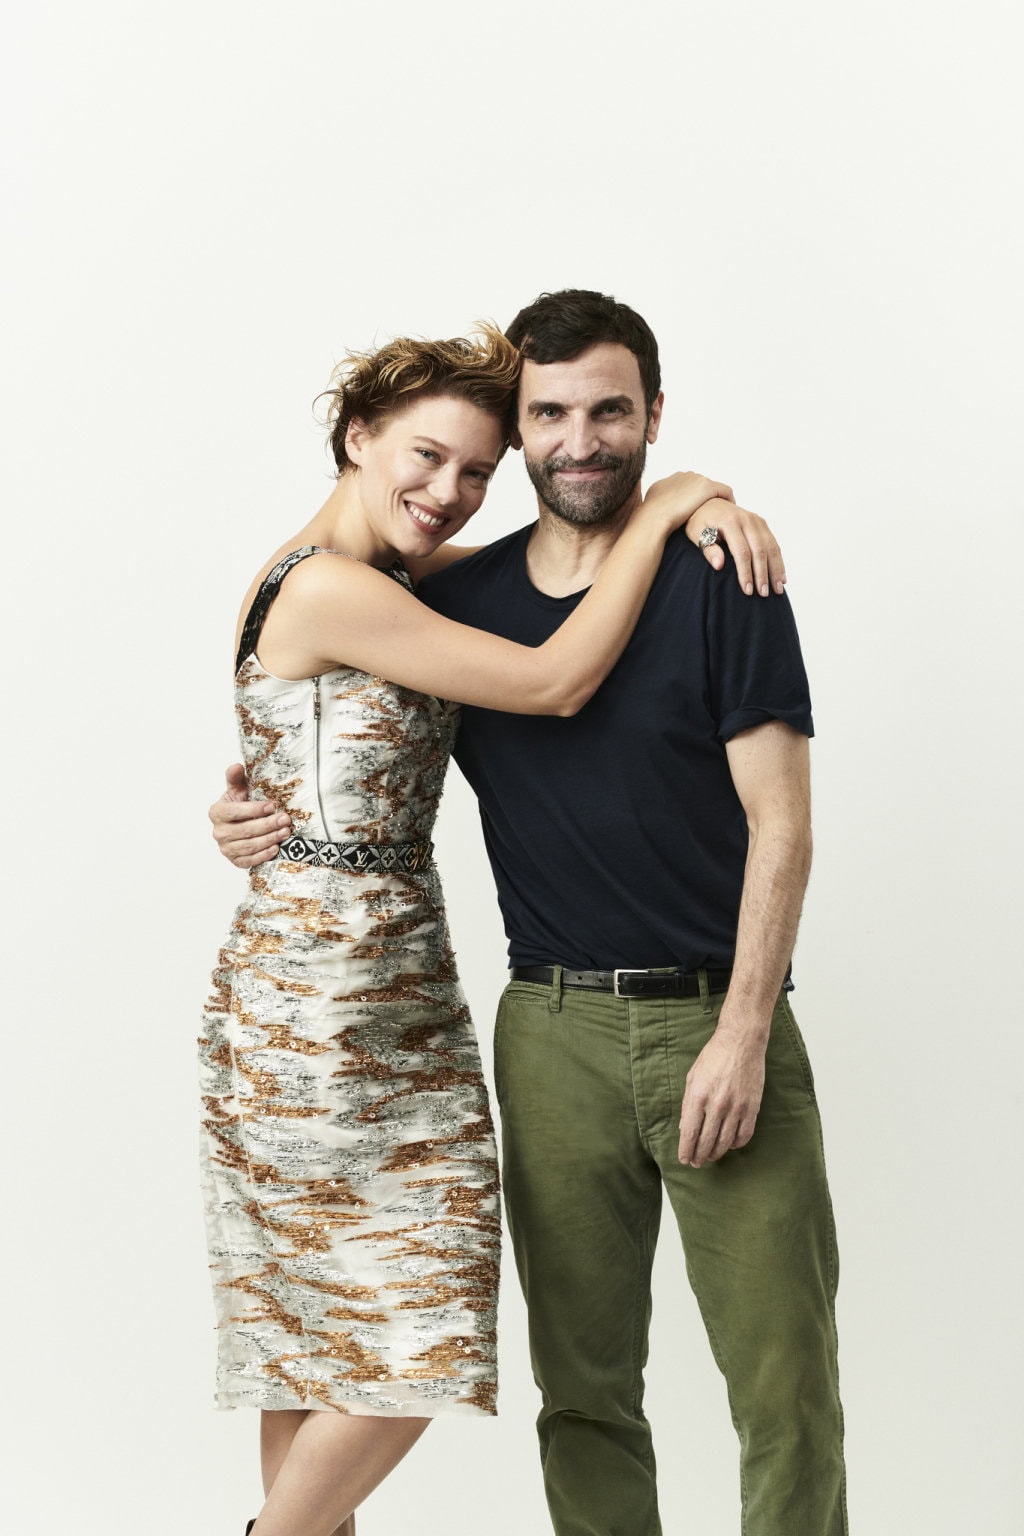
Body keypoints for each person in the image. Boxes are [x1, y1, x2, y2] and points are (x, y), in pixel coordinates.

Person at [201, 320, 774, 1536]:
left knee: (317, 1333)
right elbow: (553, 680)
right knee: (412, 1331)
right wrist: (671, 498)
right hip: (325, 1006)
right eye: (423, 456)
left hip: (365, 980)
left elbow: (289, 757)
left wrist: (249, 819)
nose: (448, 492)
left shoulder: (384, 587)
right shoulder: (332, 584)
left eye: (473, 470)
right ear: (355, 437)